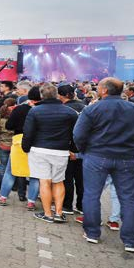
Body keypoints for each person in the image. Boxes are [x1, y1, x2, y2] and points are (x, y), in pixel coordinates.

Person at [73, 77, 134, 252]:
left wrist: (84, 151)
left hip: (97, 156)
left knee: (91, 195)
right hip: (126, 158)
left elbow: (78, 135)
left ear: (104, 90)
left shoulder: (93, 109)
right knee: (128, 198)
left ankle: (92, 233)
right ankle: (131, 241)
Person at [22, 83, 78, 224]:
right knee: (59, 181)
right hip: (60, 151)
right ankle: (59, 213)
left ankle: (48, 214)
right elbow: (76, 133)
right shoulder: (70, 112)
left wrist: (25, 147)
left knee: (44, 182)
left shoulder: (35, 111)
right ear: (57, 94)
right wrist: (73, 148)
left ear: (41, 95)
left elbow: (28, 132)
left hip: (39, 149)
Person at [0, 87, 41, 209]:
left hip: (19, 141)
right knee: (34, 174)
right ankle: (31, 202)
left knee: (11, 171)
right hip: (37, 142)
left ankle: (3, 197)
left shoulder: (19, 109)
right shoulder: (44, 110)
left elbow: (9, 125)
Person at [58, 85, 84, 215]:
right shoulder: (85, 107)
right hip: (83, 149)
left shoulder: (63, 110)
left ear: (61, 95)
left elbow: (62, 130)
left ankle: (67, 205)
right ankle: (81, 206)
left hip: (67, 148)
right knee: (81, 179)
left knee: (67, 178)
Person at [0, 98, 16, 187]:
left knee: (3, 168)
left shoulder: (1, 116)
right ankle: (14, 186)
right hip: (15, 145)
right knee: (14, 167)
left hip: (3, 144)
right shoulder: (17, 115)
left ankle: (2, 188)